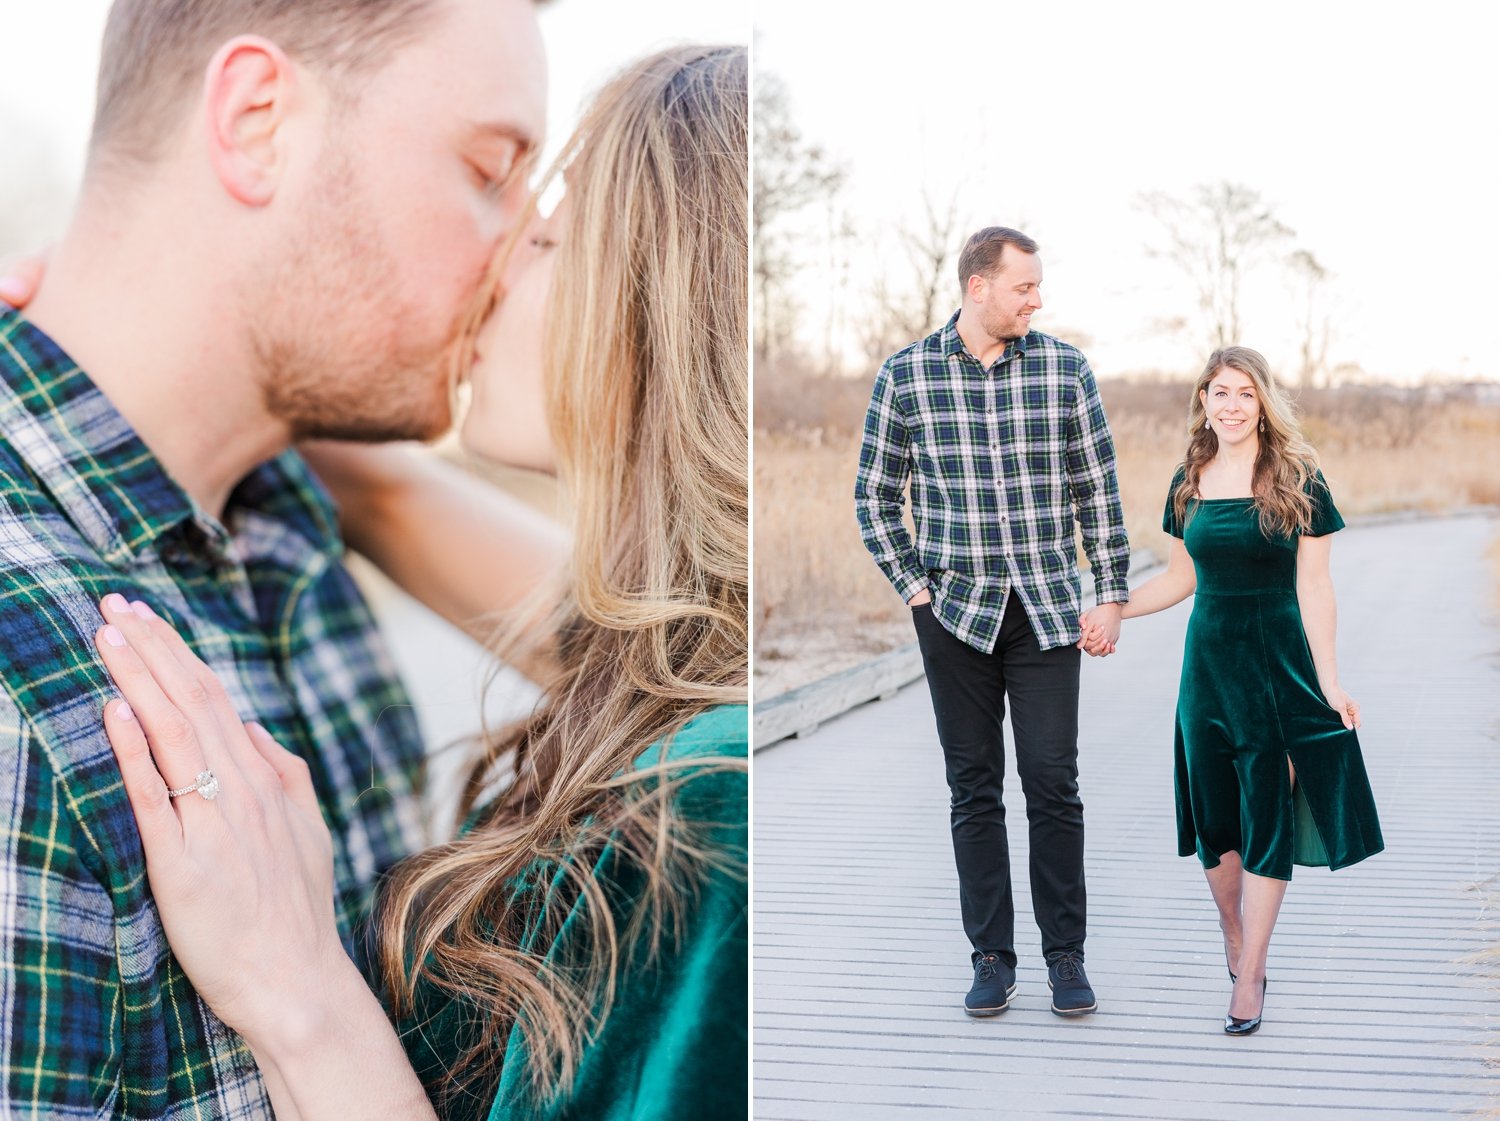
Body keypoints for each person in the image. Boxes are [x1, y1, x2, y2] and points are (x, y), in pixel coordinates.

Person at [72, 42, 747, 1120]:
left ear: (660, 309)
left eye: (550, 233)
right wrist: (142, 349)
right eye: (491, 182)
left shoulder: (716, 811)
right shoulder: (699, 655)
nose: (498, 259)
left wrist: (298, 996)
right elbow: (395, 501)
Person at [0, 1, 546, 1115]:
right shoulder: (23, 696)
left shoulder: (292, 513)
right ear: (257, 122)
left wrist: (335, 445)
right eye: (488, 170)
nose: (519, 247)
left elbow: (671, 655)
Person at [854, 226, 1131, 1018]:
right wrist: (914, 586)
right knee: (972, 788)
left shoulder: (1065, 369)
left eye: (1038, 287)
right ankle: (990, 956)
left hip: (1047, 611)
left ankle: (1066, 956)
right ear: (978, 286)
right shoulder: (905, 375)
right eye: (1024, 287)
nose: (1037, 300)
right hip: (955, 617)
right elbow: (874, 496)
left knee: (1053, 783)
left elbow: (1097, 492)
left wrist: (1109, 590)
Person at [1083, 346, 1383, 1035]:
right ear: (1204, 400)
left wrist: (1330, 680)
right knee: (1216, 824)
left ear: (1262, 401)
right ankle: (1233, 930)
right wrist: (1113, 609)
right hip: (1208, 671)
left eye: (1246, 393)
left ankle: (1251, 973)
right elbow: (1179, 579)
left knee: (1267, 812)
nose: (1232, 405)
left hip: (1279, 668)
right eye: (1220, 392)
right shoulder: (1188, 480)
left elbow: (1315, 585)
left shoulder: (1300, 477)